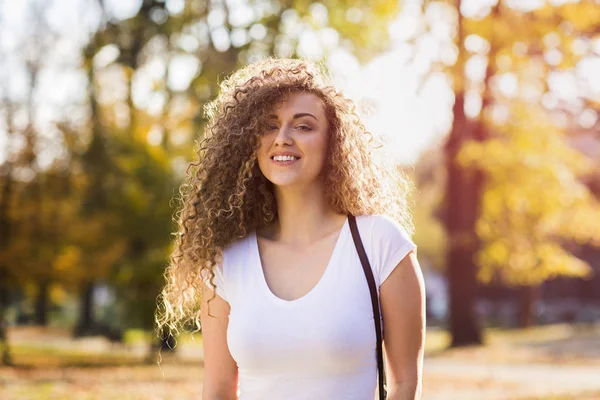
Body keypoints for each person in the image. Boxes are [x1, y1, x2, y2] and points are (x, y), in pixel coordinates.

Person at [156, 58, 426, 400]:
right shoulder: (226, 263)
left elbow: (405, 384)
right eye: (269, 126)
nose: (282, 138)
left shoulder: (380, 245)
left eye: (303, 126)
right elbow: (219, 389)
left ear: (334, 142)